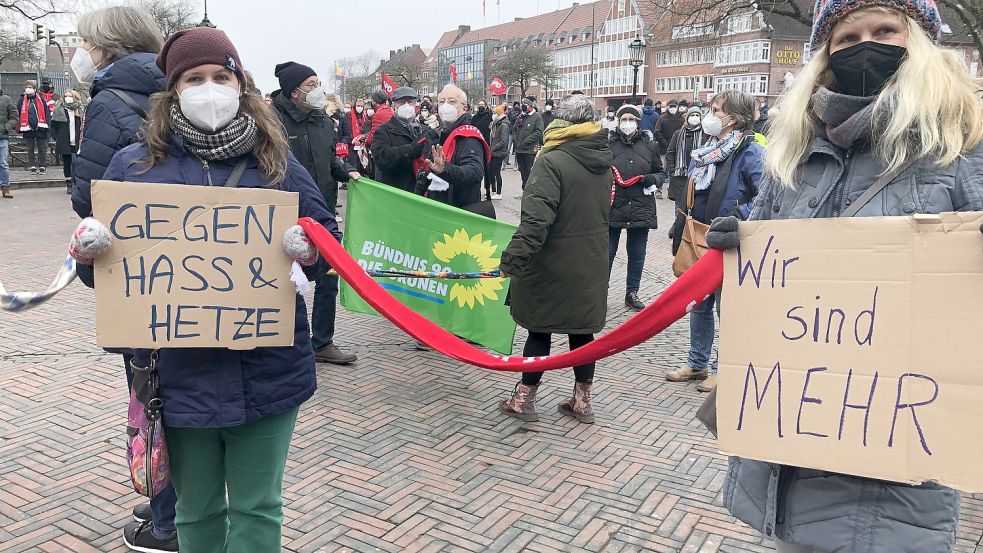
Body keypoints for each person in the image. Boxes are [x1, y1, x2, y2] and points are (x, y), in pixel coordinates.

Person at [714, 1, 983, 551]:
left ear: (922, 42)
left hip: (896, 467)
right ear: (825, 55)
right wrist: (735, 255)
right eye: (847, 36)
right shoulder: (794, 151)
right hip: (789, 456)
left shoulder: (961, 150)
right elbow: (766, 305)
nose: (867, 45)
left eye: (886, 29)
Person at [71, 27, 341, 553]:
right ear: (173, 90)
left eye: (221, 76)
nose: (209, 87)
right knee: (195, 512)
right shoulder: (132, 167)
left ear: (241, 84)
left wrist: (308, 248)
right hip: (177, 377)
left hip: (268, 369)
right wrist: (89, 251)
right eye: (194, 78)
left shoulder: (278, 166)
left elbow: (328, 241)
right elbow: (103, 276)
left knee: (259, 508)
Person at [66, 7, 173, 551]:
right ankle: (169, 501)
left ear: (106, 44)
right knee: (178, 385)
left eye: (83, 41)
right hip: (183, 269)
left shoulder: (110, 99)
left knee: (151, 392)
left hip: (135, 270)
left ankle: (166, 517)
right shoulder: (169, 86)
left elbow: (91, 196)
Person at [498, 94, 612, 424]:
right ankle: (582, 400)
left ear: (559, 122)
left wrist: (511, 261)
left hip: (551, 263)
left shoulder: (551, 161)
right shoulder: (603, 161)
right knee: (581, 331)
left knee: (539, 328)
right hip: (589, 261)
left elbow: (536, 222)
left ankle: (524, 398)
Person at [664, 89, 764, 393]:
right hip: (698, 237)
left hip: (728, 241)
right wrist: (680, 223)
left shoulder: (750, 151)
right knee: (700, 304)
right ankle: (697, 363)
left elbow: (765, 196)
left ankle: (724, 369)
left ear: (732, 118)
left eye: (716, 111)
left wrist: (736, 216)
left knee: (726, 308)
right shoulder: (707, 149)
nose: (710, 116)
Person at [271, 60, 359, 366]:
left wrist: (348, 172)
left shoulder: (323, 120)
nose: (318, 90)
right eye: (311, 85)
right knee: (284, 278)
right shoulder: (272, 121)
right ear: (294, 92)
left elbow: (330, 161)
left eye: (318, 83)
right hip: (285, 216)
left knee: (329, 275)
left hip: (322, 210)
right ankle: (281, 341)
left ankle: (322, 342)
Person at [607, 104, 664, 311]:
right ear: (619, 122)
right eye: (624, 119)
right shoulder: (609, 144)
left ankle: (632, 292)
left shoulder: (650, 145)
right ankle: (600, 291)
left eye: (632, 119)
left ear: (638, 123)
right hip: (614, 205)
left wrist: (651, 178)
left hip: (641, 204)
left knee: (637, 252)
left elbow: (660, 173)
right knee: (607, 252)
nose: (628, 123)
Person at [416, 84, 489, 210]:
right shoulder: (437, 133)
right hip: (438, 206)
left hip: (458, 210)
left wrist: (446, 169)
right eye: (442, 102)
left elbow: (475, 172)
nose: (446, 106)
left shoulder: (469, 136)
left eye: (452, 102)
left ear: (464, 108)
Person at [371, 86, 429, 193]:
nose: (406, 106)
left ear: (416, 105)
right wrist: (409, 151)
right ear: (394, 105)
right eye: (402, 102)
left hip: (422, 193)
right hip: (397, 192)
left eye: (410, 102)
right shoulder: (384, 130)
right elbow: (381, 158)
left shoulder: (425, 130)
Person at [664, 106, 708, 202]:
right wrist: (673, 171)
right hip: (680, 178)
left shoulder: (705, 134)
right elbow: (670, 154)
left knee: (695, 207)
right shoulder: (678, 134)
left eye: (697, 115)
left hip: (698, 177)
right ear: (687, 118)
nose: (695, 117)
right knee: (680, 210)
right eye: (692, 115)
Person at [50, 89, 83, 190]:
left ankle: (76, 182)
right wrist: (56, 137)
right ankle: (69, 183)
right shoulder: (59, 110)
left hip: (77, 142)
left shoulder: (79, 110)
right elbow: (53, 126)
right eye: (66, 96)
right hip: (64, 141)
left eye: (70, 96)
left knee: (76, 162)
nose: (68, 98)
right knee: (67, 163)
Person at [17, 80, 51, 176]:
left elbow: (46, 112)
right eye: (26, 87)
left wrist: (48, 124)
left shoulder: (40, 99)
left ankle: (42, 166)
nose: (28, 89)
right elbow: (18, 111)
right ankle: (32, 165)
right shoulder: (22, 99)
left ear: (35, 89)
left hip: (41, 126)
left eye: (30, 87)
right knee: (30, 148)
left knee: (42, 148)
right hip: (27, 127)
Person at [513, 95, 543, 189]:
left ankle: (529, 189)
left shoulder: (537, 116)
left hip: (529, 150)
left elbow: (538, 131)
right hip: (519, 149)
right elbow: (514, 129)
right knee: (522, 170)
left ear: (530, 105)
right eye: (522, 104)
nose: (523, 105)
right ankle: (524, 187)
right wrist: (516, 140)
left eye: (525, 104)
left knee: (529, 170)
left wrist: (526, 141)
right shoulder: (521, 116)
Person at [487, 103, 510, 200]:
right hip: (494, 152)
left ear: (499, 114)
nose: (493, 115)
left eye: (495, 113)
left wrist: (492, 148)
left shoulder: (503, 125)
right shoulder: (496, 124)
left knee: (496, 172)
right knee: (491, 172)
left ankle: (499, 193)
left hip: (498, 153)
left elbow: (503, 141)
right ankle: (493, 190)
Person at [0, 89, 18, 199]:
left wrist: (6, 128)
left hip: (2, 137)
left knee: (3, 163)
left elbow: (15, 116)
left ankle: (5, 188)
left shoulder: (6, 99)